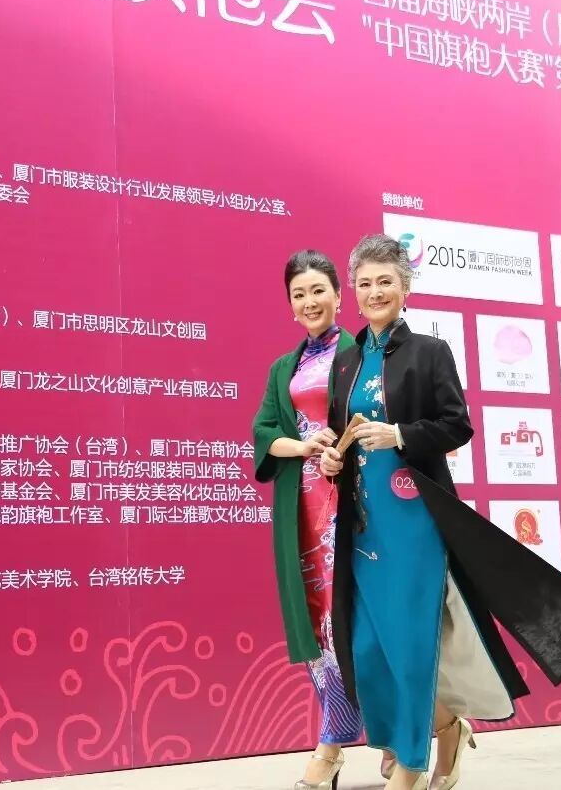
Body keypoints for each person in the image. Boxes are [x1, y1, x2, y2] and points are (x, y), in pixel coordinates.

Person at [320, 234, 561, 790]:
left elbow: (457, 425)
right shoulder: (345, 362)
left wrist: (400, 435)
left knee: (411, 645)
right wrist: (332, 458)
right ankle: (444, 729)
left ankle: (411, 765)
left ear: (405, 287)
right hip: (361, 526)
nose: (375, 291)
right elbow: (343, 436)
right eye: (364, 283)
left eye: (386, 281)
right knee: (368, 647)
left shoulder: (429, 351)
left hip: (415, 521)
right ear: (353, 293)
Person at [253, 250, 373, 790]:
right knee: (316, 617)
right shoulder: (284, 368)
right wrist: (303, 445)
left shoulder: (363, 353)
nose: (309, 302)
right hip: (301, 506)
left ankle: (382, 738)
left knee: (361, 618)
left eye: (318, 290)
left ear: (339, 296)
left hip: (356, 502)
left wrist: (338, 448)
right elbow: (263, 434)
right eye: (298, 294)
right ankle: (340, 736)